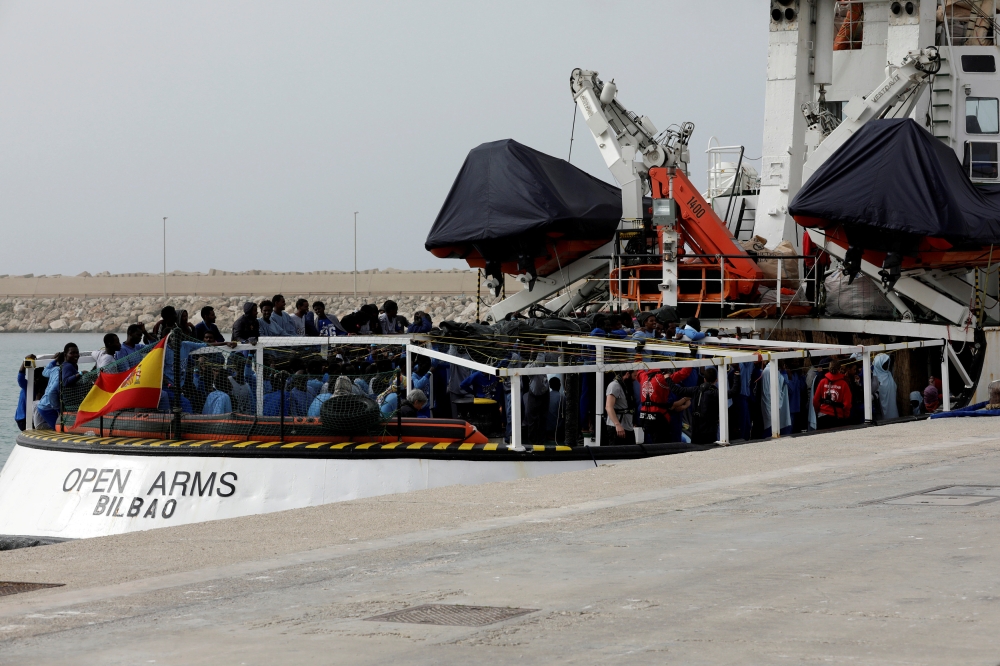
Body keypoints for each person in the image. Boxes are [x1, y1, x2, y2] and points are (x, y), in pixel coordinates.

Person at [665, 367, 726, 444]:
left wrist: (667, 378)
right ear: (716, 380)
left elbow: (676, 390)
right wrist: (736, 375)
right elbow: (734, 391)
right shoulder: (718, 393)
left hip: (697, 430)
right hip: (711, 430)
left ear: (704, 379)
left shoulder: (696, 390)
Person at [35, 343, 82, 429]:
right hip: (48, 408)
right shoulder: (59, 374)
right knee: (60, 428)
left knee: (61, 426)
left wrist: (54, 360)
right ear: (65, 356)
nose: (75, 355)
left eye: (77, 353)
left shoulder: (55, 368)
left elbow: (44, 372)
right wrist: (58, 410)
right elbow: (52, 392)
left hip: (44, 404)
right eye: (72, 353)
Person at [813, 358, 851, 430]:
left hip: (822, 416)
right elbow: (847, 403)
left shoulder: (822, 381)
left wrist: (818, 410)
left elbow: (815, 400)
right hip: (837, 417)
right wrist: (846, 415)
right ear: (839, 369)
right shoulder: (843, 384)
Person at [605, 370, 637, 445]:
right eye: (634, 376)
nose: (635, 378)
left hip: (628, 426)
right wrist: (617, 424)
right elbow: (608, 406)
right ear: (627, 374)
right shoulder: (615, 385)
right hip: (617, 427)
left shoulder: (628, 385)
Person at [871, 354, 899, 420]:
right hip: (880, 407)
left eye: (887, 363)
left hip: (892, 404)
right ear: (878, 364)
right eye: (884, 363)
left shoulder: (888, 374)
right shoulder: (874, 377)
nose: (887, 365)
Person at [14, 355, 35, 431]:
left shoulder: (42, 387)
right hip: (23, 418)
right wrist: (25, 361)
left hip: (29, 417)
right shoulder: (28, 385)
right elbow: (20, 376)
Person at [546, 377, 562, 442]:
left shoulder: (546, 396)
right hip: (557, 428)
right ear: (560, 385)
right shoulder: (562, 397)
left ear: (549, 386)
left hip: (546, 428)